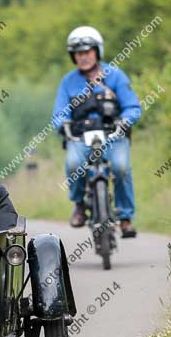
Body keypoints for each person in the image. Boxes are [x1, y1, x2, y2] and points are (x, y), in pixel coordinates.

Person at [52, 26, 141, 237]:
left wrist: (125, 122)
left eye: (87, 51)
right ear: (73, 56)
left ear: (97, 51)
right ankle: (80, 205)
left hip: (113, 135)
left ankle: (125, 217)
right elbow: (59, 113)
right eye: (78, 53)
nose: (83, 57)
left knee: (120, 168)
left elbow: (133, 106)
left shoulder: (116, 75)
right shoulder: (68, 82)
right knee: (73, 164)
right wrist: (63, 125)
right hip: (81, 136)